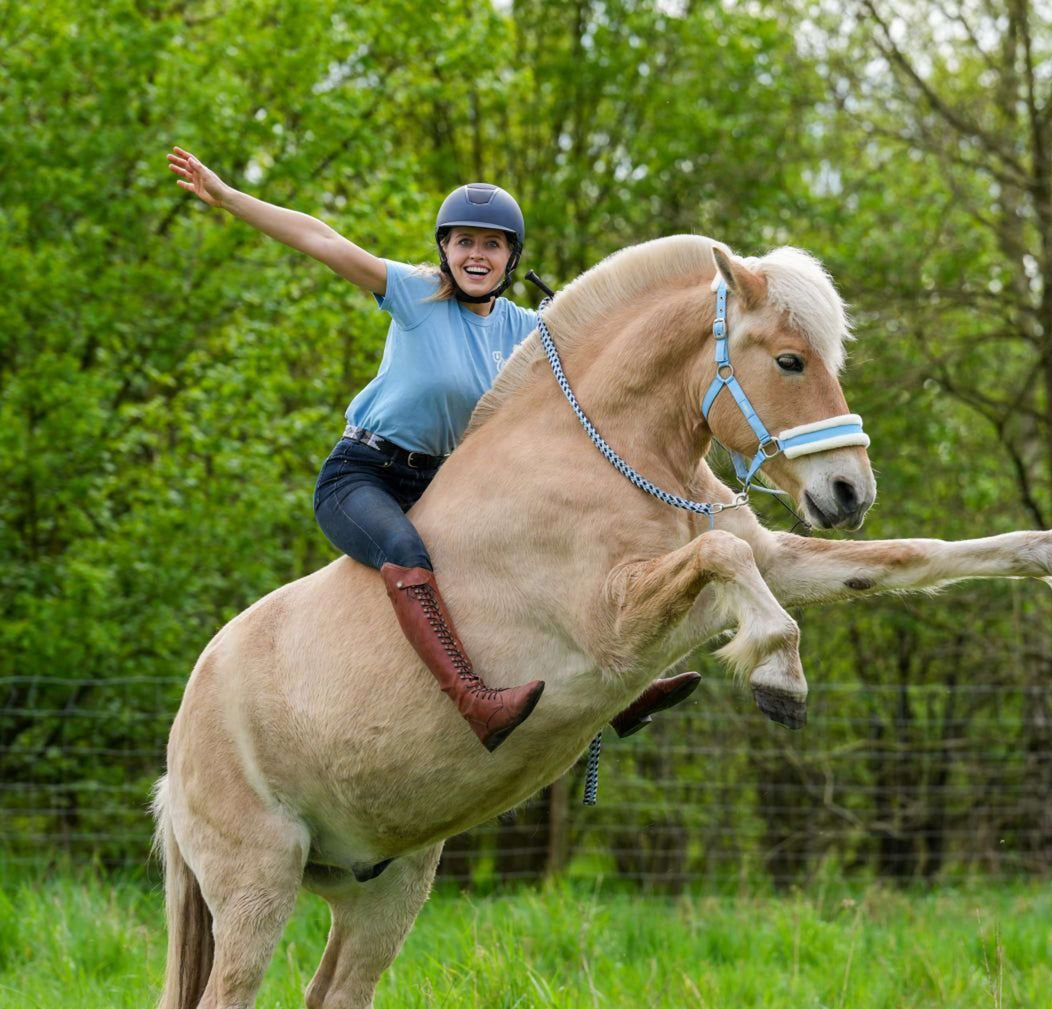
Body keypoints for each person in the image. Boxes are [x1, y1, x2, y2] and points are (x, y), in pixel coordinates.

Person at [167, 147, 700, 752]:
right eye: (464, 241)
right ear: (444, 248)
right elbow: (322, 240)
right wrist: (230, 197)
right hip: (363, 476)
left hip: (443, 485)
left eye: (493, 244)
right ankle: (473, 701)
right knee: (403, 547)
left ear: (512, 257)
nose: (477, 254)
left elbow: (614, 353)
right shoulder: (415, 293)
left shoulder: (528, 331)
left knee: (546, 538)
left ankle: (621, 694)